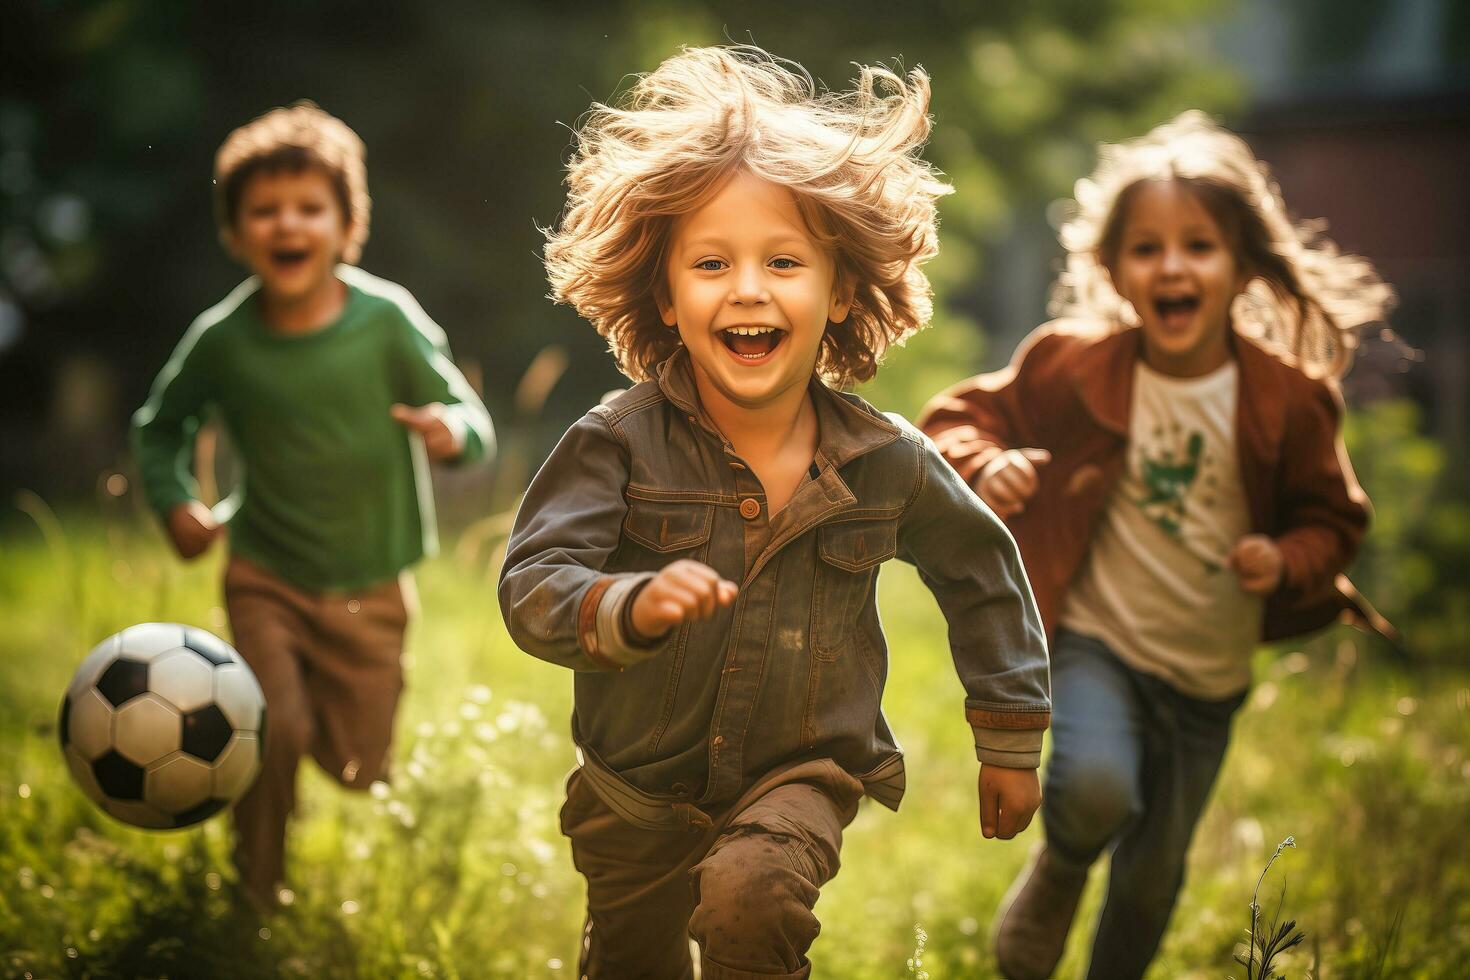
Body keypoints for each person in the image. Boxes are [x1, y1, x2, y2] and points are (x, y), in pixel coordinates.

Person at [500, 46, 1050, 979]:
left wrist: (1009, 737)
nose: (748, 287)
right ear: (668, 297)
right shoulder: (618, 443)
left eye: (783, 261)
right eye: (712, 263)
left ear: (838, 292)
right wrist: (625, 607)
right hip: (633, 795)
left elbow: (981, 571)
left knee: (752, 900)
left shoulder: (886, 462)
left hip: (800, 776)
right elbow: (533, 586)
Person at [918, 111, 1395, 980]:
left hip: (1210, 677)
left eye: (1199, 246)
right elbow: (958, 418)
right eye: (1146, 248)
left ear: (1243, 264)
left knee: (1150, 880)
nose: (1172, 266)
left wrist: (1286, 559)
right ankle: (1060, 870)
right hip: (1102, 641)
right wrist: (988, 466)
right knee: (1096, 786)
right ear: (1114, 270)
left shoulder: (1288, 400)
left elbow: (1335, 522)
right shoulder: (1074, 365)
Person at [131, 102, 493, 909]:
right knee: (273, 729)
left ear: (345, 224)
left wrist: (450, 431)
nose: (285, 224)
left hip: (372, 582)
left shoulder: (386, 320)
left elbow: (470, 418)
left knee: (362, 767)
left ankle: (333, 758)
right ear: (235, 232)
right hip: (266, 571)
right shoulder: (222, 339)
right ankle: (256, 891)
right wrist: (177, 503)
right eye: (263, 210)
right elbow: (160, 427)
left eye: (307, 208)